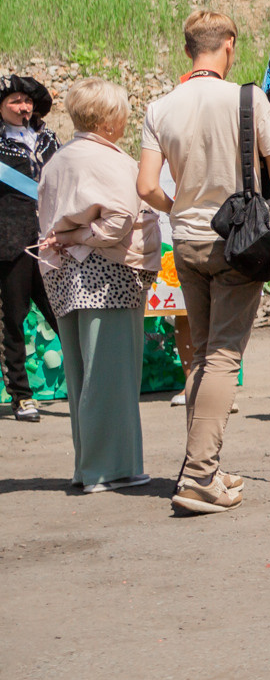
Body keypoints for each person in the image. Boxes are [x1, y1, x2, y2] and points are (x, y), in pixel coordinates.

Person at [138, 12, 270, 516]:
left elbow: (145, 186)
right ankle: (201, 475)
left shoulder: (159, 107)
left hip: (185, 241)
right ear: (228, 45)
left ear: (188, 51)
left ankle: (200, 465)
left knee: (202, 355)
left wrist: (176, 207)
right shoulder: (247, 99)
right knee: (225, 357)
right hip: (238, 242)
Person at [37, 79, 162, 491]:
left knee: (82, 374)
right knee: (111, 373)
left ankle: (88, 466)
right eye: (123, 111)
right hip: (107, 275)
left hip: (67, 276)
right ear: (108, 119)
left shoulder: (60, 158)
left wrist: (69, 238)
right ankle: (109, 469)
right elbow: (119, 220)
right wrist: (77, 236)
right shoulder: (103, 159)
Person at [1, 74, 60, 422]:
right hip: (10, 243)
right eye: (14, 101)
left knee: (62, 315)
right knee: (13, 320)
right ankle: (21, 396)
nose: (23, 107)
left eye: (27, 101)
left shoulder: (49, 140)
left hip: (53, 242)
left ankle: (87, 384)